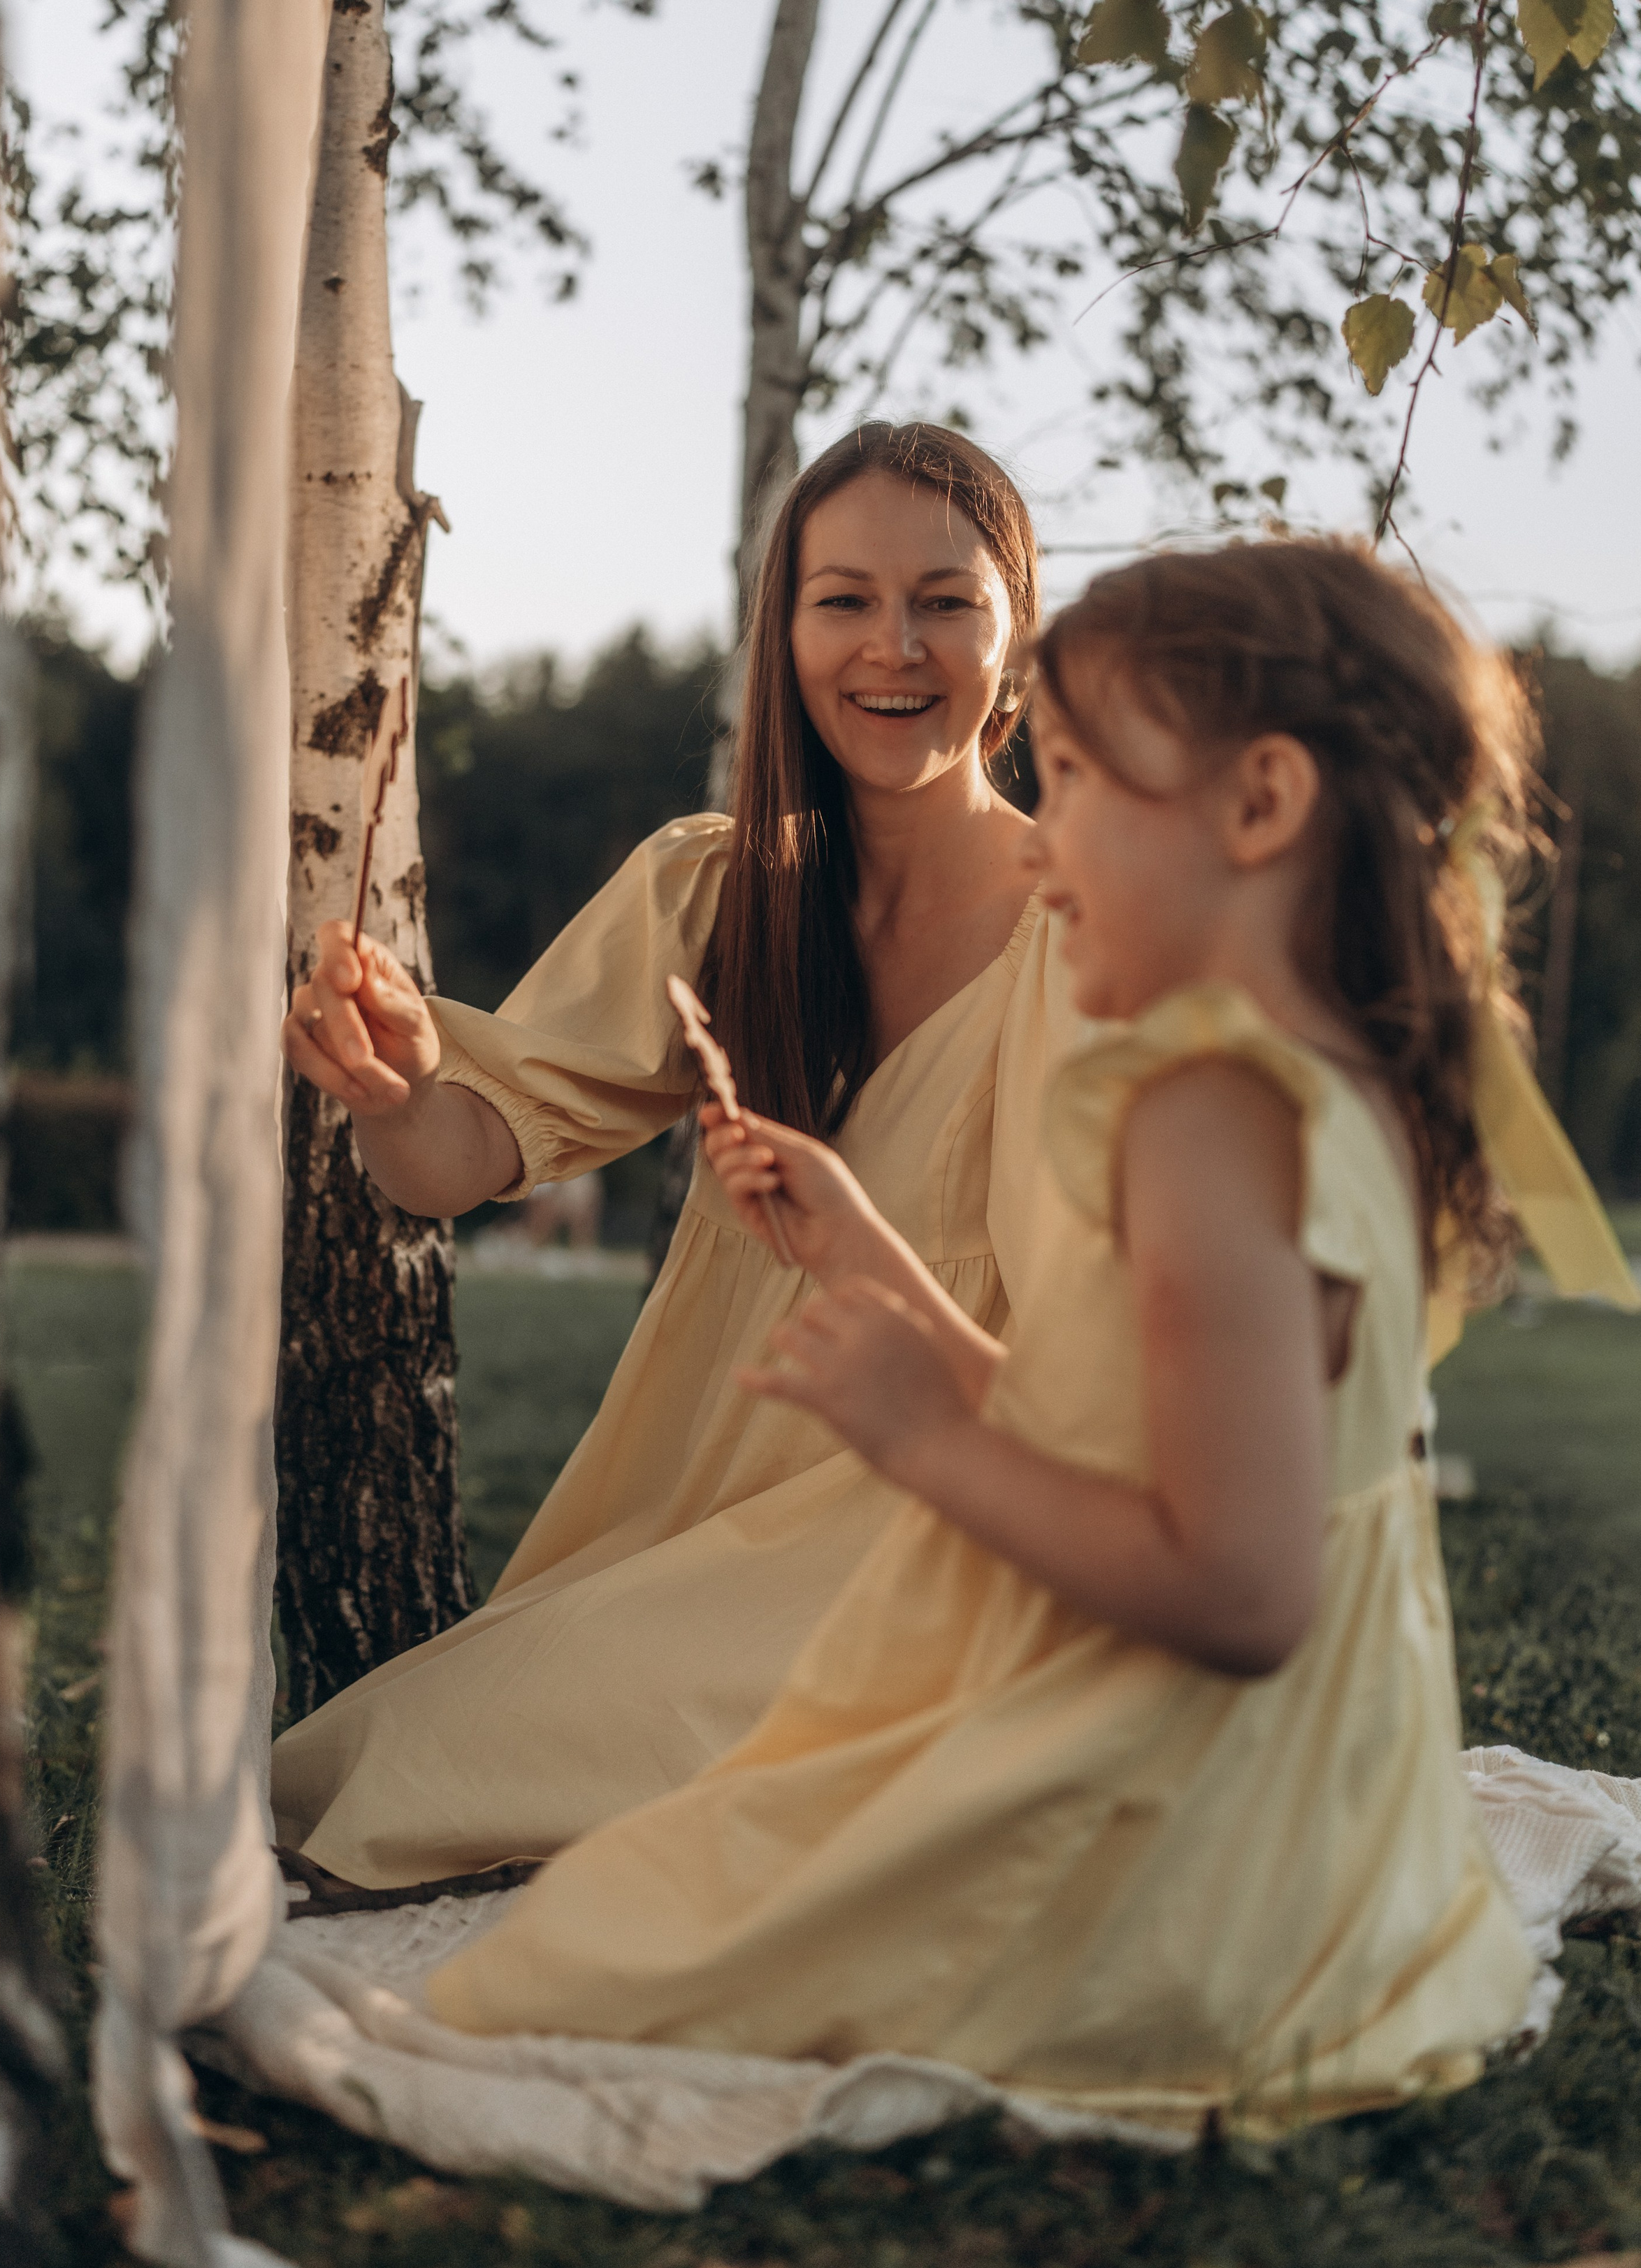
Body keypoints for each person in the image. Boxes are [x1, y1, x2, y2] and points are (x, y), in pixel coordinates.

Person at [423, 537, 1548, 2131]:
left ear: (1259, 805)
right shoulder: (1315, 1084)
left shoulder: (1204, 1120)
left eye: (1080, 778)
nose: (1041, 837)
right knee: (716, 1880)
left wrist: (928, 1441)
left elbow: (1237, 1591)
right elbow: (1101, 1418)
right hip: (1322, 1811)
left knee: (656, 1940)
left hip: (1211, 1835)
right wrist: (865, 1249)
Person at [270, 421, 1066, 1887]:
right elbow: (452, 1160)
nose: (892, 645)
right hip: (702, 1507)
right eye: (843, 599)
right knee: (393, 1748)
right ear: (782, 630)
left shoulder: (1092, 931)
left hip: (961, 1515)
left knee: (469, 1780)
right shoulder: (716, 888)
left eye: (944, 599)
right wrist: (394, 1090)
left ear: (1014, 632)